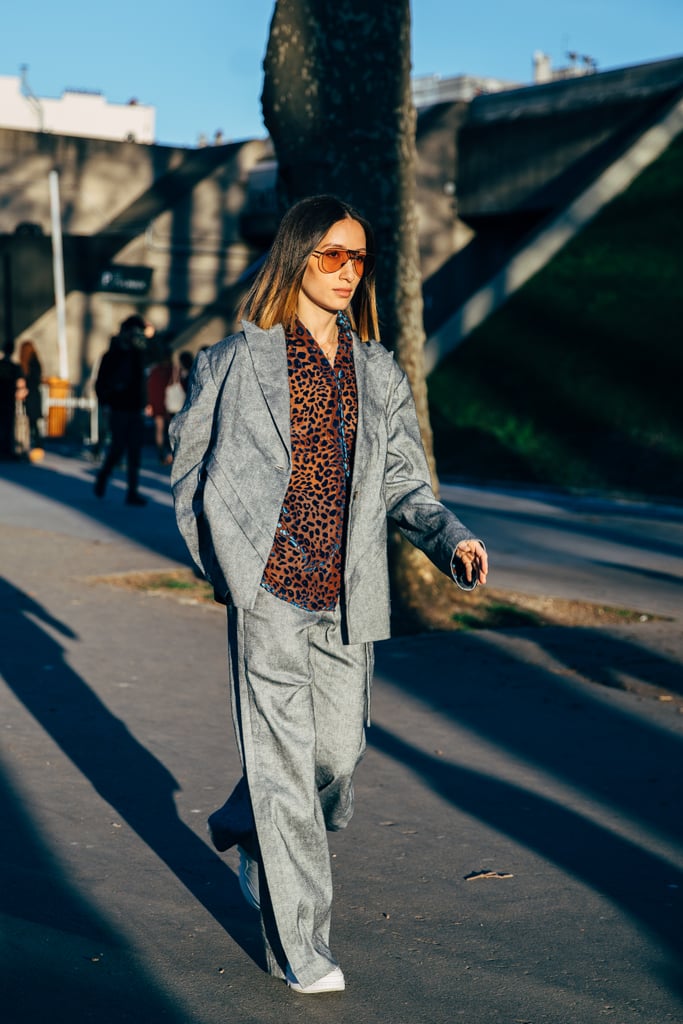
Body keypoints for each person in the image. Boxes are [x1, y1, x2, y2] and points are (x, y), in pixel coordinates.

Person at [169, 195, 488, 995]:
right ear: (296, 257)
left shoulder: (376, 370)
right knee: (283, 771)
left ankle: (248, 829)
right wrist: (227, 568)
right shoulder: (234, 362)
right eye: (332, 255)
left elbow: (405, 482)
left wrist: (450, 540)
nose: (348, 271)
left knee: (335, 756)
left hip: (346, 599)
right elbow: (186, 474)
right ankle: (299, 945)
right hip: (268, 593)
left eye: (358, 258)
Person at [94, 314, 151, 506]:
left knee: (135, 451)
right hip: (118, 408)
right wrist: (106, 402)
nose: (136, 335)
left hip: (135, 408)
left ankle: (132, 492)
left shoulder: (139, 353)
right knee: (118, 448)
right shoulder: (111, 355)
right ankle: (104, 475)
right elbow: (100, 382)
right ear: (124, 331)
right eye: (134, 331)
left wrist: (145, 403)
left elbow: (144, 378)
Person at [146, 348, 174, 465]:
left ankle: (161, 454)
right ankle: (171, 453)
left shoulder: (155, 371)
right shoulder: (172, 370)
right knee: (171, 430)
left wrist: (150, 404)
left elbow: (150, 388)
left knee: (159, 430)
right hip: (171, 404)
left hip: (157, 404)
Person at [0, 346, 27, 460]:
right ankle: (6, 450)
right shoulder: (15, 367)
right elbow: (21, 384)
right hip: (9, 399)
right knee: (8, 425)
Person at [18, 340, 43, 448]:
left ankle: (36, 442)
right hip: (32, 394)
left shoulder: (30, 364)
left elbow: (33, 379)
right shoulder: (34, 363)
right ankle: (36, 442)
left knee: (32, 420)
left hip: (30, 394)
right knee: (32, 421)